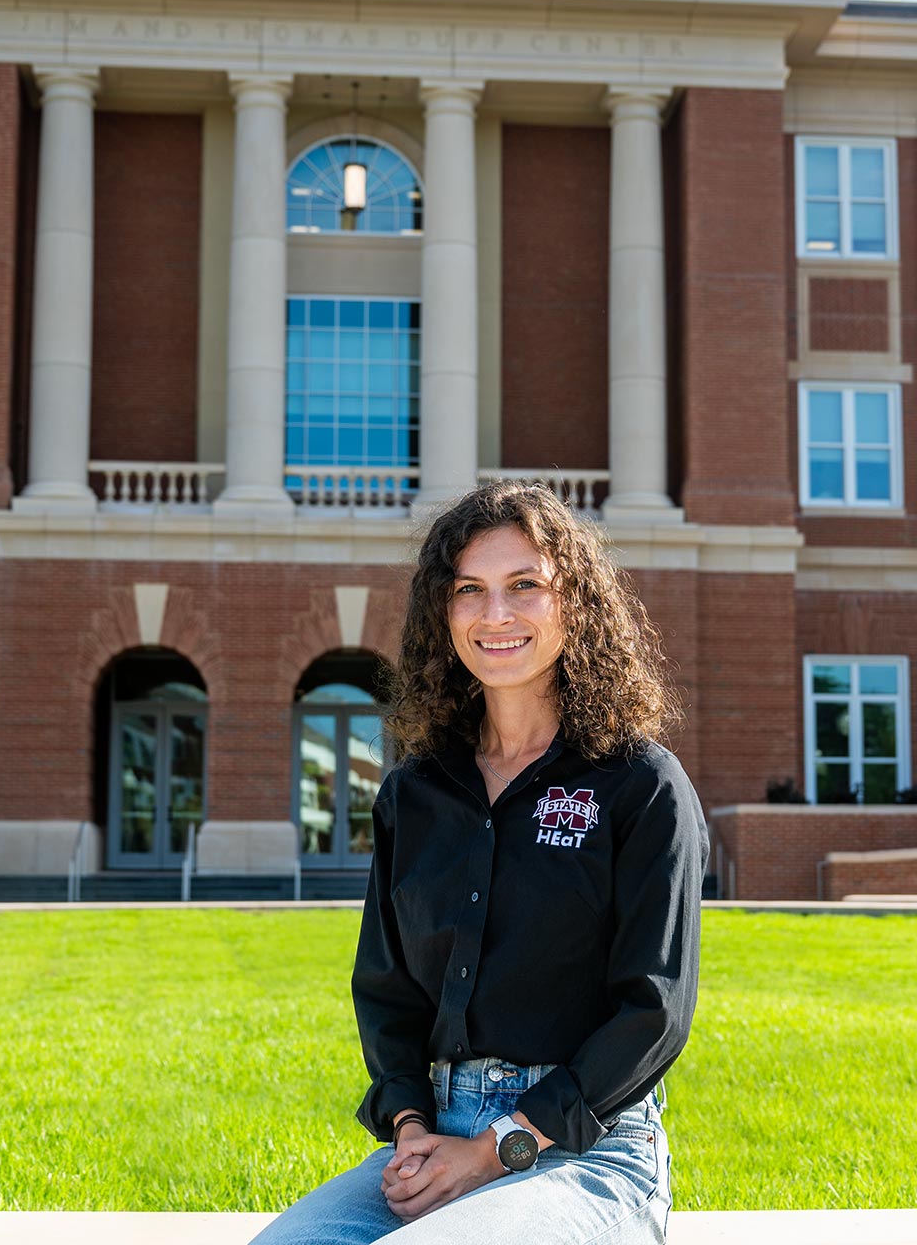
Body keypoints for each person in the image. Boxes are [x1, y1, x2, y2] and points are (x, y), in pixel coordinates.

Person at [254, 479, 706, 1244]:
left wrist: (498, 1150)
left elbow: (652, 1014)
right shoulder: (415, 793)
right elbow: (388, 992)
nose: (496, 615)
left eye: (525, 585)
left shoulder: (639, 784)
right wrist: (410, 1128)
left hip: (588, 1151)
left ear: (576, 604)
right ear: (444, 612)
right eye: (470, 590)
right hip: (439, 1135)